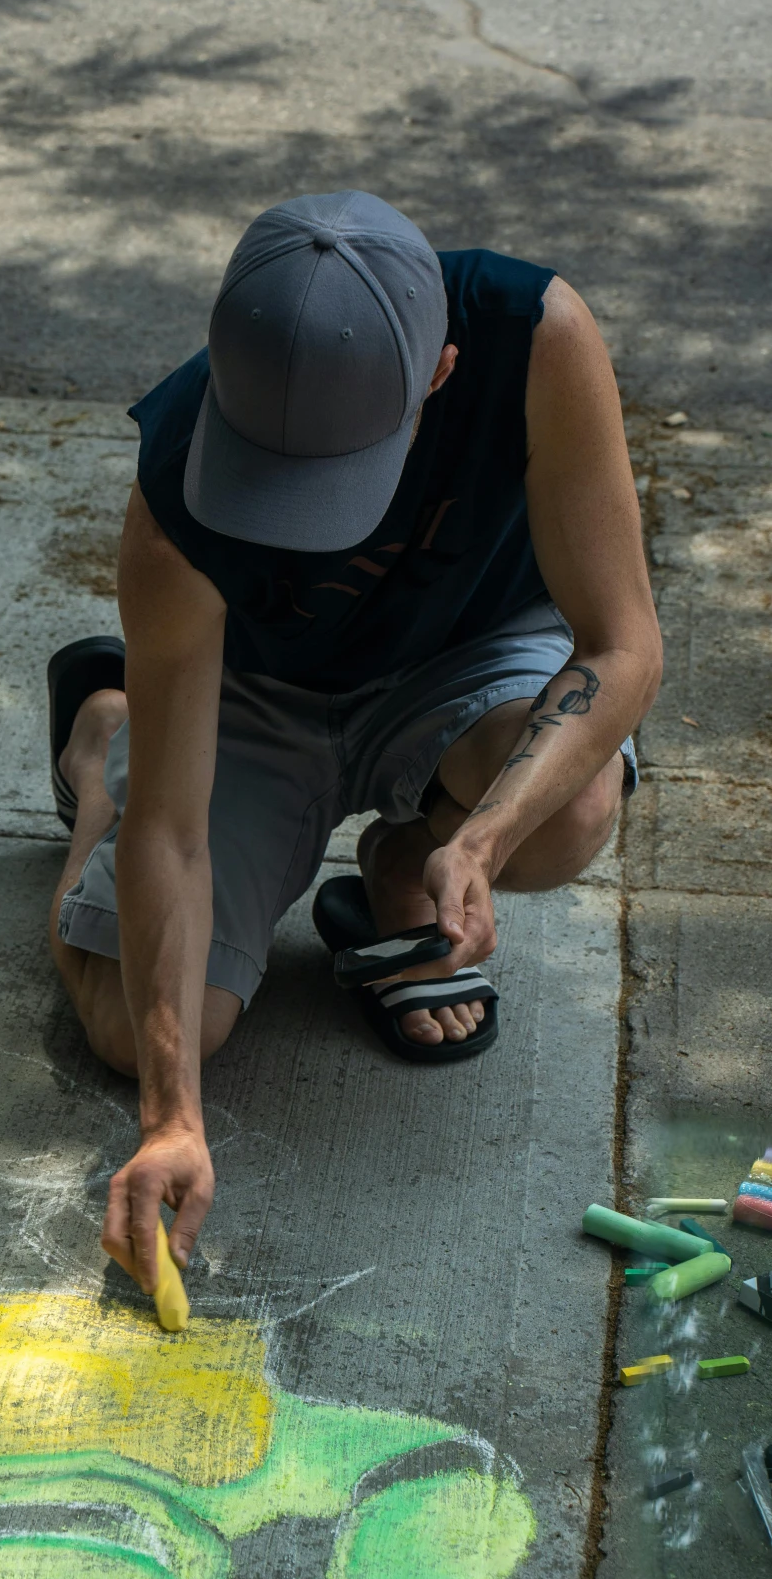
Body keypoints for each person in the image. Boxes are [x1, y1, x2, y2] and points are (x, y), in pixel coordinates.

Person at [44, 190, 661, 1294]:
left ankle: (397, 863)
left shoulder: (535, 338)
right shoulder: (174, 489)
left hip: (460, 662)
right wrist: (171, 1118)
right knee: (134, 1034)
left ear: (438, 373)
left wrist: (480, 842)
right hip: (251, 695)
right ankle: (106, 741)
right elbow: (176, 835)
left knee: (564, 816)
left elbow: (622, 648)